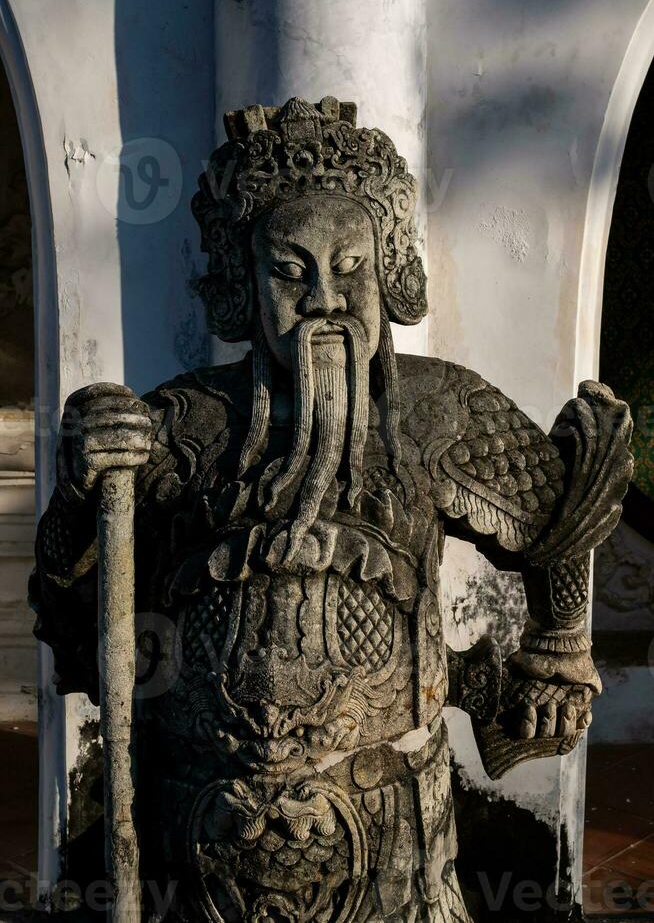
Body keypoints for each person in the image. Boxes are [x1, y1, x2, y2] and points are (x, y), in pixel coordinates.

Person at [30, 97, 633, 922]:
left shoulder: (438, 414)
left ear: (388, 272)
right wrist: (78, 486)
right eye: (290, 271)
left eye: (350, 268)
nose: (324, 298)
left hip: (392, 843)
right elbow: (70, 605)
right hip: (197, 840)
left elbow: (564, 510)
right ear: (244, 280)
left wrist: (559, 648)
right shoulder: (183, 424)